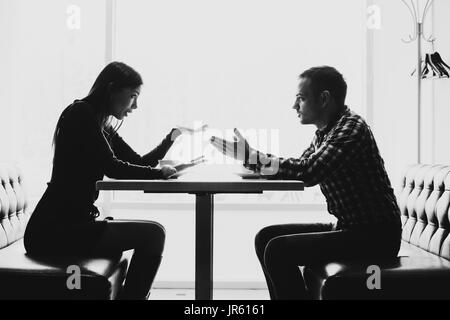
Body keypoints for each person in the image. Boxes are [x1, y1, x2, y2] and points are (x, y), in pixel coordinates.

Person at [210, 66, 402, 300]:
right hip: (349, 227)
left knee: (278, 251)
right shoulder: (325, 132)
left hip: (375, 237)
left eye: (301, 98)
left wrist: (252, 158)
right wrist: (252, 159)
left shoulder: (351, 128)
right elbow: (301, 166)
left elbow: (309, 171)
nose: (294, 106)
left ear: (324, 99)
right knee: (265, 238)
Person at [24, 61, 199, 300]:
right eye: (133, 96)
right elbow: (113, 167)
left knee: (153, 234)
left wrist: (170, 138)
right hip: (54, 229)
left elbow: (139, 161)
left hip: (72, 222)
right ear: (112, 89)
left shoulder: (100, 122)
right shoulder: (80, 114)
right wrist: (160, 174)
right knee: (153, 235)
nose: (135, 105)